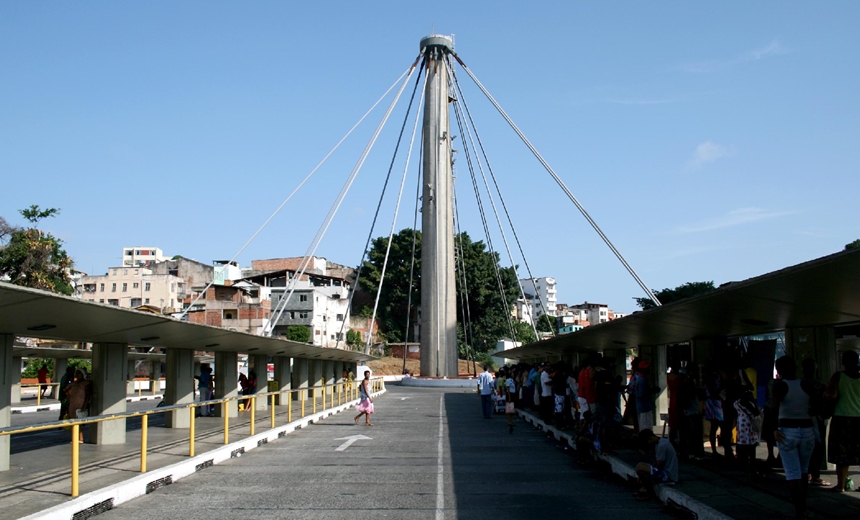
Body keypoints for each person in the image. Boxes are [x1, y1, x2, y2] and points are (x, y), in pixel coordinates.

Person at [773, 355, 815, 520]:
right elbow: (815, 405)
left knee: (792, 473)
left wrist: (774, 429)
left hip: (787, 430)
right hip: (807, 430)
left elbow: (775, 408)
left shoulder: (779, 386)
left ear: (779, 369)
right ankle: (804, 506)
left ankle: (799, 511)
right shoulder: (806, 384)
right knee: (804, 471)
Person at [824, 350, 860, 492]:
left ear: (843, 362)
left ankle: (841, 485)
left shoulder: (838, 376)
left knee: (842, 454)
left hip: (842, 419)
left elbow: (831, 394)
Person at [801, 358, 830, 487]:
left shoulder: (799, 384)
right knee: (818, 447)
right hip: (817, 419)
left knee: (803, 447)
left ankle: (804, 473)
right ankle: (815, 475)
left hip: (801, 419)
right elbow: (826, 403)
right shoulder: (821, 385)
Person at [634, 429, 679, 500]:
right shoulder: (660, 443)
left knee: (640, 467)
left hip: (668, 475)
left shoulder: (662, 445)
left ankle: (646, 489)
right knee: (642, 470)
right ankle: (644, 489)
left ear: (651, 438)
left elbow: (659, 465)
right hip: (665, 472)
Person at [734, 389, 762, 476]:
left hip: (742, 427)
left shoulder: (736, 404)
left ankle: (745, 467)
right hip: (750, 427)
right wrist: (753, 400)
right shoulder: (750, 405)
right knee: (752, 448)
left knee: (743, 448)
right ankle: (752, 467)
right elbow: (757, 413)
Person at [66, 369, 92, 443]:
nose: (76, 375)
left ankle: (80, 438)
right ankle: (75, 437)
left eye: (78, 373)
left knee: (78, 422)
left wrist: (84, 406)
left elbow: (87, 395)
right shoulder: (75, 383)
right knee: (73, 421)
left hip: (80, 405)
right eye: (76, 373)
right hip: (73, 404)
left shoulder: (85, 383)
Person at [634, 361, 654, 432]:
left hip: (644, 408)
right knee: (646, 429)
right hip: (644, 408)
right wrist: (651, 391)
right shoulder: (642, 380)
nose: (648, 369)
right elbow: (642, 395)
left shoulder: (641, 379)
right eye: (646, 368)